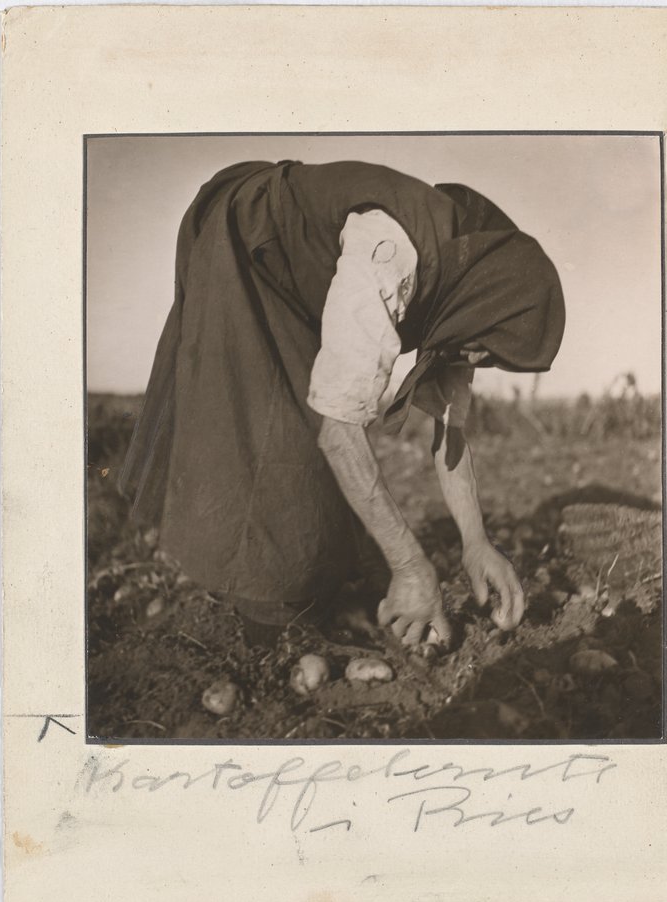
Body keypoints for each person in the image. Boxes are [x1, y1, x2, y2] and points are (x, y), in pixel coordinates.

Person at [120, 159, 565, 647]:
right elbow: (338, 430)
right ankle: (267, 627)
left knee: (313, 451)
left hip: (297, 281)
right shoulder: (393, 252)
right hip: (247, 241)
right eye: (489, 348)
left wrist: (476, 542)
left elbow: (450, 433)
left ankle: (314, 589)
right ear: (490, 303)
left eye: (494, 356)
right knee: (277, 441)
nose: (480, 358)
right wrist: (411, 566)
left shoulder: (463, 311)